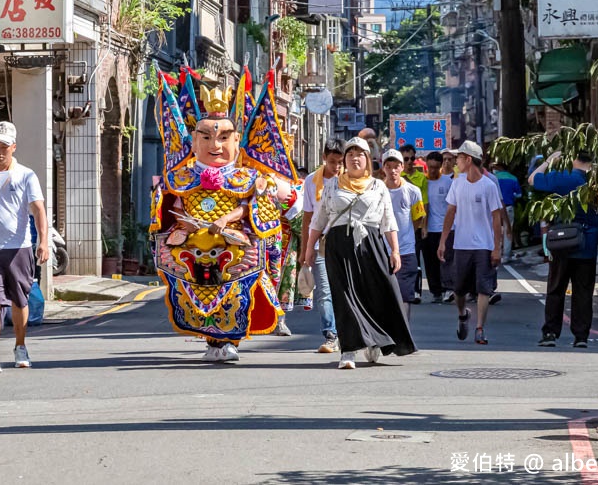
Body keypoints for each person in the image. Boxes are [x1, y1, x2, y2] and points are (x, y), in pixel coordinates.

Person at [151, 81, 293, 363]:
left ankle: (231, 341)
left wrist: (229, 218)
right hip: (193, 248)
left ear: (236, 140)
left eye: (223, 138)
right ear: (194, 141)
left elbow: (254, 205)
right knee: (199, 295)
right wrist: (183, 223)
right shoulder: (180, 178)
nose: (214, 145)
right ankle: (212, 341)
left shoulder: (249, 179)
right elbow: (172, 207)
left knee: (235, 292)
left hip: (235, 249)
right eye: (205, 138)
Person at [304, 138, 417, 369]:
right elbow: (318, 220)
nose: (355, 158)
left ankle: (375, 339)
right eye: (351, 154)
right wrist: (308, 251)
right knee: (344, 297)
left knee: (378, 292)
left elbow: (388, 220)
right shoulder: (333, 186)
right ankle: (348, 350)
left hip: (371, 244)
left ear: (368, 160)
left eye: (360, 154)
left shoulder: (378, 187)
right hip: (338, 246)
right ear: (345, 160)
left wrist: (394, 250)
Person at [0, 121, 49, 374]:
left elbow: (38, 210)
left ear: (13, 147)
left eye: (4, 146)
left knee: (19, 300)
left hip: (19, 247)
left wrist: (43, 242)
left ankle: (20, 345)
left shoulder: (26, 175)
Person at [531, 151, 598, 348]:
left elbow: (532, 179)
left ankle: (551, 333)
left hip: (562, 243)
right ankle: (581, 337)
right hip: (587, 243)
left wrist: (549, 160)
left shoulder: (561, 177)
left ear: (572, 157)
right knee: (583, 291)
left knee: (556, 289)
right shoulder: (597, 181)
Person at [438, 141, 504, 345]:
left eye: (458, 157)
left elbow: (496, 218)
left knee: (484, 288)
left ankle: (480, 328)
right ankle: (462, 315)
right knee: (458, 290)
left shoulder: (489, 185)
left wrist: (496, 247)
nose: (456, 161)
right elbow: (450, 212)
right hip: (461, 245)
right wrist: (443, 241)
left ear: (468, 159)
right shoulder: (457, 183)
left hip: (483, 246)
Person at [298, 138, 345, 353]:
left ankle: (348, 331)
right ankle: (330, 335)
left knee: (343, 290)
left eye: (340, 162)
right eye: (333, 161)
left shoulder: (348, 180)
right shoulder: (311, 181)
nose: (336, 167)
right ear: (324, 158)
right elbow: (308, 216)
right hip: (319, 244)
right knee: (324, 292)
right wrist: (304, 249)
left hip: (343, 241)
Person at [381, 149, 425, 320]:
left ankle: (404, 334)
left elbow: (418, 218)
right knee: (384, 296)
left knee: (405, 296)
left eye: (396, 166)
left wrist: (405, 237)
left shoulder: (413, 191)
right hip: (381, 251)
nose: (393, 170)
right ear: (383, 167)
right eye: (389, 166)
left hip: (406, 251)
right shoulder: (376, 191)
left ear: (402, 167)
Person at [398, 144, 429, 304]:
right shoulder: (395, 176)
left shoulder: (421, 178)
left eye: (412, 158)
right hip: (397, 227)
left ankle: (415, 290)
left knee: (414, 258)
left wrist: (423, 226)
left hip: (414, 225)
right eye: (406, 159)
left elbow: (424, 204)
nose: (410, 162)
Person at [421, 151, 453, 303]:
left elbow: (453, 206)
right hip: (428, 229)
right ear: (426, 164)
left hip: (445, 229)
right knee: (430, 262)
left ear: (441, 166)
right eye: (430, 167)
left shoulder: (448, 182)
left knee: (445, 260)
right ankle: (436, 291)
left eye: (436, 167)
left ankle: (448, 288)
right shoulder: (422, 182)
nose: (433, 170)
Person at [492, 161, 522, 260]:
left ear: (500, 167)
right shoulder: (513, 178)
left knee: (494, 230)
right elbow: (519, 195)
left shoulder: (492, 178)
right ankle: (506, 255)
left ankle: (495, 252)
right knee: (508, 230)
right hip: (508, 207)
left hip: (494, 208)